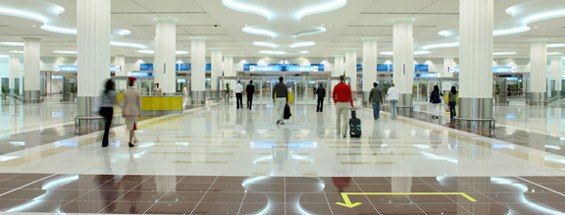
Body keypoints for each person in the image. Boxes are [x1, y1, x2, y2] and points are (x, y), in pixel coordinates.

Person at [123, 77, 141, 147]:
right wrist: (139, 112)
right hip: (134, 111)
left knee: (130, 126)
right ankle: (130, 141)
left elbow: (124, 103)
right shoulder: (137, 91)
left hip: (127, 111)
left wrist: (123, 112)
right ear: (134, 83)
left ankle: (134, 139)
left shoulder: (126, 92)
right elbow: (138, 103)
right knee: (132, 127)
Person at [99, 79, 117, 147]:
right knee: (107, 127)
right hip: (109, 109)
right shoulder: (113, 92)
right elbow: (114, 101)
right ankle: (105, 142)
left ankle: (105, 141)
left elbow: (101, 101)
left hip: (103, 109)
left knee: (106, 126)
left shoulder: (103, 92)